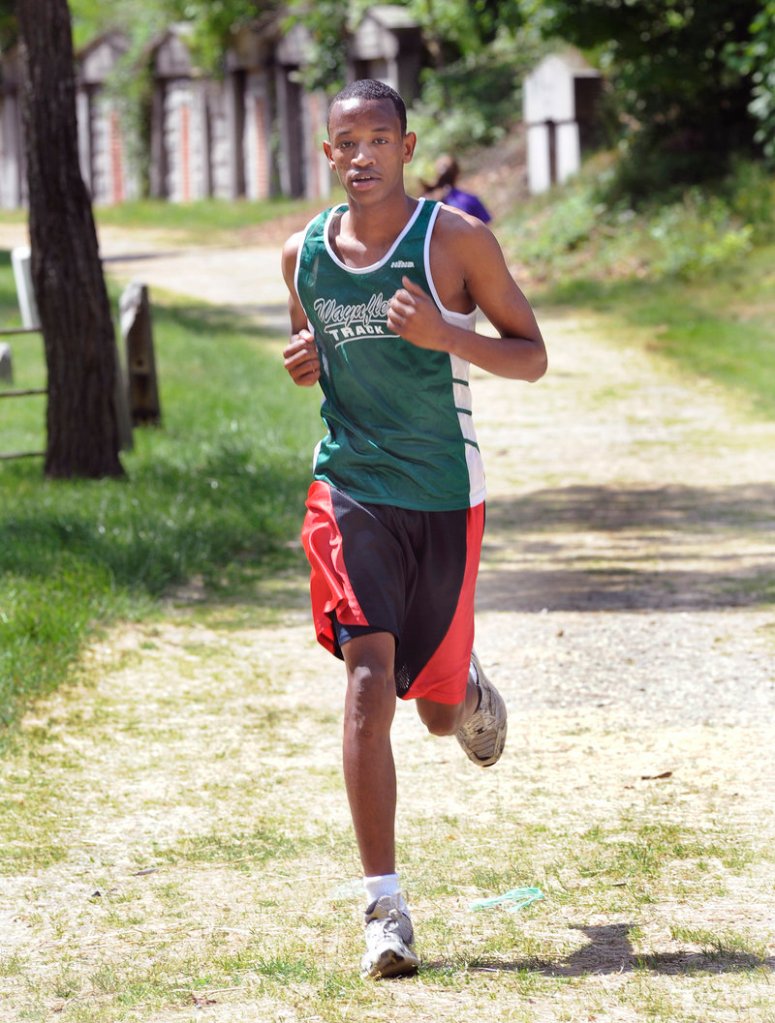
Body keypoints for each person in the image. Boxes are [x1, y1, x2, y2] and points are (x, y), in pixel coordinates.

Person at [281, 79, 546, 980]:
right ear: (327, 154)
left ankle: (462, 687)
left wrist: (446, 334)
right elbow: (310, 355)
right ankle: (383, 909)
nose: (360, 156)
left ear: (406, 145)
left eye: (378, 139)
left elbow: (530, 353)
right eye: (344, 143)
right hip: (349, 489)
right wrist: (302, 358)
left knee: (432, 713)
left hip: (443, 493)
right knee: (366, 678)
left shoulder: (455, 240)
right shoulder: (304, 253)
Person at [421, 153, 492, 223]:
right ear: (457, 174)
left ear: (436, 174)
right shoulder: (470, 200)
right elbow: (486, 229)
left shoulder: (426, 203)